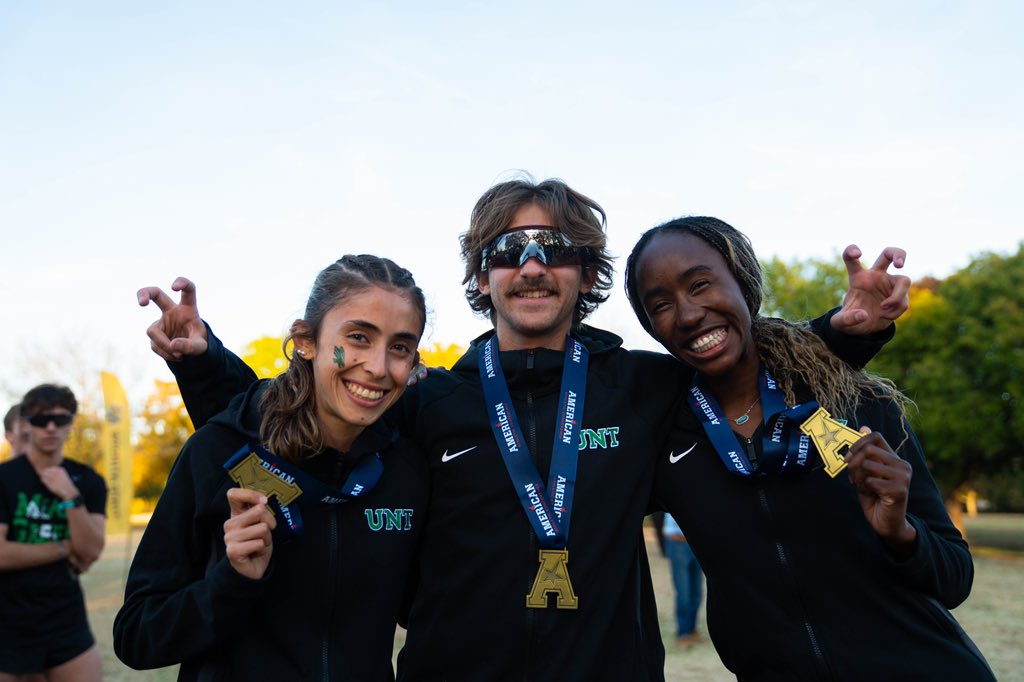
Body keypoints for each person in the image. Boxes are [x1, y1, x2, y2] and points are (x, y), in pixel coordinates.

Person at [139, 177, 909, 680]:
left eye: (558, 251)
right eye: (510, 251)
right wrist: (205, 365)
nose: (533, 265)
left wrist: (846, 332)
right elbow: (300, 416)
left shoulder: (644, 386)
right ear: (482, 275)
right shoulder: (424, 397)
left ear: (587, 275)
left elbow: (739, 363)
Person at [624, 216, 995, 681]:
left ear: (744, 284)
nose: (688, 313)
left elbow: (955, 577)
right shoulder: (663, 435)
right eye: (660, 304)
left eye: (700, 284)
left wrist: (902, 532)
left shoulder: (853, 399)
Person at [113, 255, 430, 681]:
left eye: (400, 347)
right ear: (305, 340)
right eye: (358, 337)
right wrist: (232, 581)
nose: (377, 367)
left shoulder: (406, 469)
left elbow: (423, 606)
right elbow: (137, 635)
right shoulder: (218, 452)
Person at [0, 384, 107, 682]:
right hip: (8, 621)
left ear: (71, 423)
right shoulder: (5, 478)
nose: (50, 427)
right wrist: (63, 548)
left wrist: (70, 496)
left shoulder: (87, 481)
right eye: (40, 419)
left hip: (65, 620)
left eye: (59, 420)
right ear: (25, 424)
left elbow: (89, 551)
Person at [662, 513, 703, 648]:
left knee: (697, 592)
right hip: (678, 543)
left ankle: (692, 629)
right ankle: (683, 634)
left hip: (696, 543)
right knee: (683, 592)